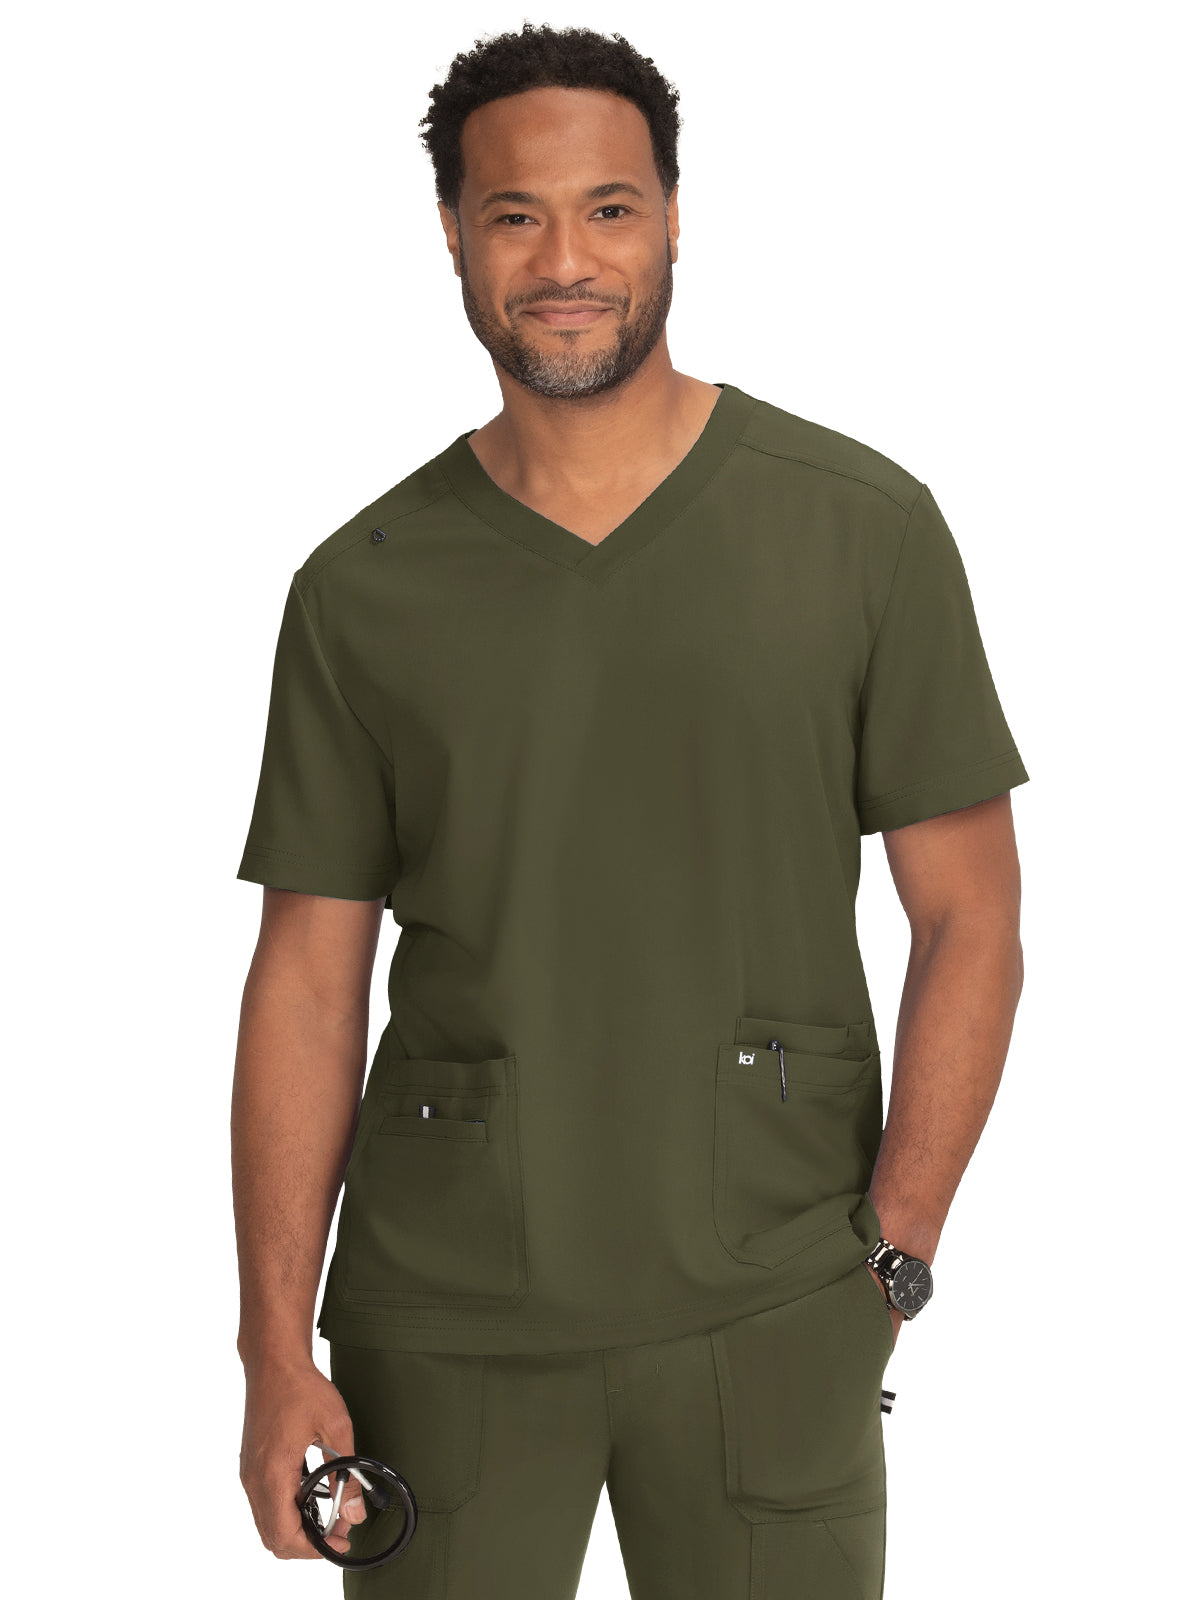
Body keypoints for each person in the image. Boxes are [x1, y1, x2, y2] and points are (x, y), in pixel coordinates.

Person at [232, 22, 1028, 1598]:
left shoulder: (861, 530)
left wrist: (896, 1249)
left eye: (608, 208)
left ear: (673, 218)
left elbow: (974, 919)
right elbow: (308, 981)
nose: (564, 261)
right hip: (447, 1314)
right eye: (514, 215)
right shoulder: (360, 591)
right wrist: (271, 1350)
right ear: (452, 234)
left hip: (774, 1296)